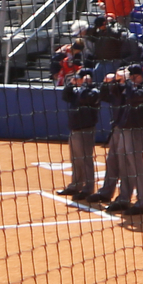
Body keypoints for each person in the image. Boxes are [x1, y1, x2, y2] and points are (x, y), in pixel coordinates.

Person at [93, 70, 143, 215]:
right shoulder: (126, 88)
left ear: (137, 77)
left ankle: (142, 203)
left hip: (136, 130)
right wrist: (108, 83)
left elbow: (133, 96)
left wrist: (126, 82)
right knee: (123, 164)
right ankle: (124, 199)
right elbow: (105, 96)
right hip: (123, 129)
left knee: (136, 167)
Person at [58, 69, 103, 199]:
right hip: (75, 129)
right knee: (75, 159)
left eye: (80, 78)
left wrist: (85, 85)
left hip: (86, 130)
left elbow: (84, 98)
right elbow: (65, 96)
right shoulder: (76, 91)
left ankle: (88, 189)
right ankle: (75, 185)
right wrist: (71, 84)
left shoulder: (94, 92)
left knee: (85, 160)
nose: (77, 80)